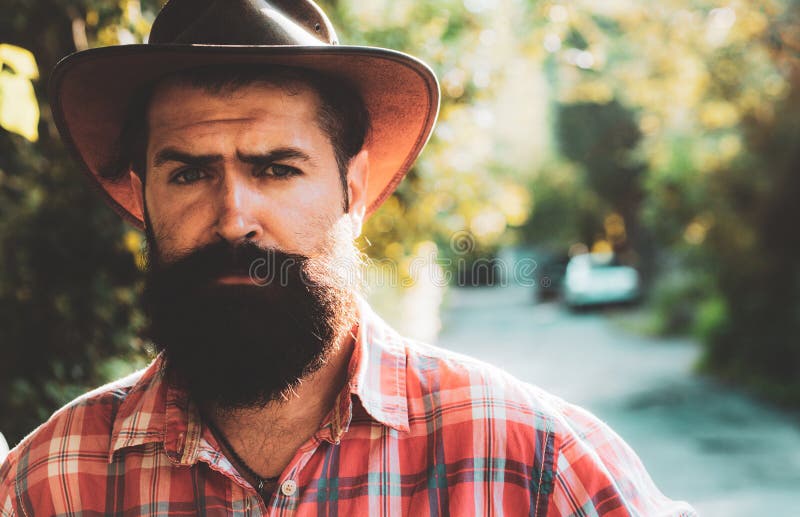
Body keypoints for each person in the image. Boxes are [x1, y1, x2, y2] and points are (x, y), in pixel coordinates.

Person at [0, 0, 696, 515]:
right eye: (186, 173)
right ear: (141, 196)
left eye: (276, 168)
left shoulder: (531, 463)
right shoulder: (49, 484)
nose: (233, 218)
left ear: (353, 189)